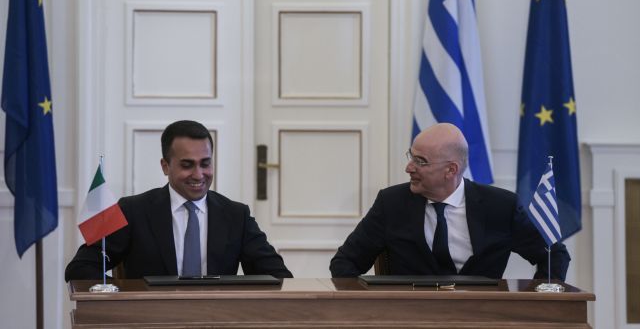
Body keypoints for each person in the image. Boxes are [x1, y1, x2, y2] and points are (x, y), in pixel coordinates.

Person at [330, 123, 570, 279]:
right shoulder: (391, 203)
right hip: (409, 319)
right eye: (411, 157)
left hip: (483, 320)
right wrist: (375, 309)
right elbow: (344, 263)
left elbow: (554, 255)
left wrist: (537, 301)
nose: (409, 167)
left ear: (451, 170)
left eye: (420, 161)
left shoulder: (501, 207)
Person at [65, 120, 292, 280]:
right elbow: (81, 268)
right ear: (165, 166)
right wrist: (128, 297)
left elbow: (277, 276)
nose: (198, 175)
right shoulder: (133, 210)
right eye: (187, 165)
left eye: (205, 163)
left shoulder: (236, 215)